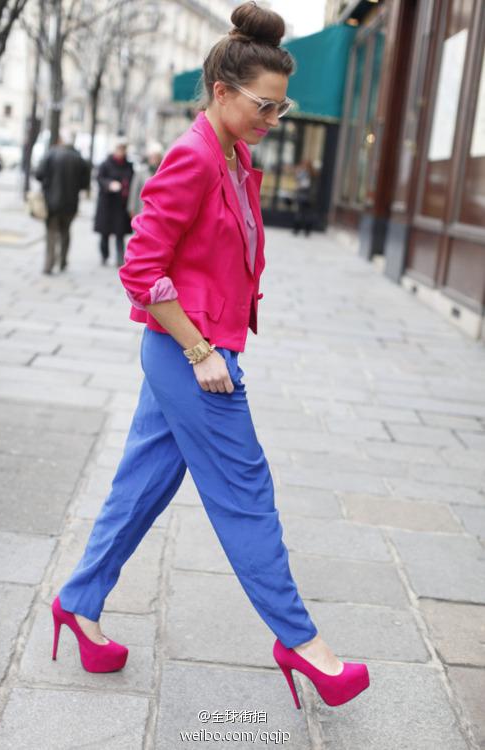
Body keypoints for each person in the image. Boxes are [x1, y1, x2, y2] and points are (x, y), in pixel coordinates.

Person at [51, 0, 370, 710]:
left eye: (282, 109)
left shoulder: (235, 153)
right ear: (222, 92)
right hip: (190, 354)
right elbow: (140, 265)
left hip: (197, 347)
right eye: (264, 104)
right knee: (245, 491)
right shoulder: (192, 156)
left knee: (141, 487)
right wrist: (200, 350)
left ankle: (78, 602)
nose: (272, 118)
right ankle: (301, 642)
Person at [34, 129, 90, 274]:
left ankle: (49, 264)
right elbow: (85, 184)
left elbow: (39, 174)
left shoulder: (51, 154)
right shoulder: (79, 158)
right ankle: (63, 261)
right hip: (71, 204)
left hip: (51, 202)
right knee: (65, 232)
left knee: (51, 233)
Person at [94, 136, 134, 267]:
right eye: (119, 148)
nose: (121, 151)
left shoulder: (129, 165)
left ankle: (119, 259)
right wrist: (109, 184)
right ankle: (104, 255)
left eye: (123, 149)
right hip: (107, 203)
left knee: (120, 233)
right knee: (105, 233)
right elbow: (100, 178)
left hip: (121, 204)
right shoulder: (106, 164)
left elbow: (132, 181)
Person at [127, 141, 164, 218]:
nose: (154, 159)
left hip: (158, 211)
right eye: (152, 156)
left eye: (157, 156)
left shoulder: (163, 172)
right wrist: (131, 208)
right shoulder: (141, 172)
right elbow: (134, 190)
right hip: (142, 209)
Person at [292, 159, 314, 236]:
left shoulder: (305, 173)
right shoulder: (312, 173)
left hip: (303, 195)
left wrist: (297, 172)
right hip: (308, 196)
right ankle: (307, 230)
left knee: (300, 213)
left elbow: (301, 183)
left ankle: (297, 229)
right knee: (306, 213)